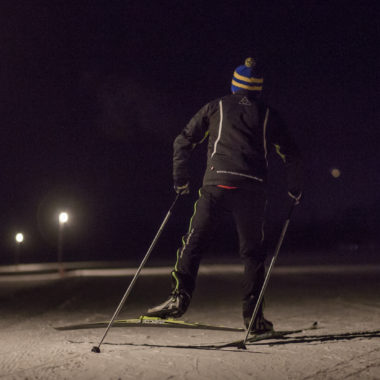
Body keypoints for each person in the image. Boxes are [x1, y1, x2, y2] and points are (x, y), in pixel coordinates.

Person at [146, 58, 303, 332]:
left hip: (217, 185)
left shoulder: (216, 106)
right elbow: (291, 152)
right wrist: (295, 186)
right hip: (252, 189)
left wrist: (180, 180)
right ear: (258, 89)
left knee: (194, 242)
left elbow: (183, 141)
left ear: (234, 85)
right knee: (253, 254)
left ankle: (179, 297)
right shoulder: (268, 113)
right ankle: (253, 318)